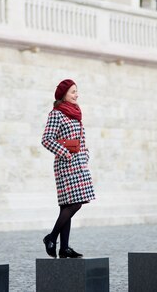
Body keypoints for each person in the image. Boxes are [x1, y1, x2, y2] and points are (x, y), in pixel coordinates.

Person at [41, 78, 95, 258]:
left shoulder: (76, 113)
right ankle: (51, 237)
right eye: (73, 91)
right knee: (75, 203)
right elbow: (47, 139)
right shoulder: (56, 114)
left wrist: (85, 153)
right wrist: (65, 153)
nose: (76, 95)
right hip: (65, 165)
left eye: (77, 91)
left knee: (67, 205)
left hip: (79, 163)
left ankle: (63, 248)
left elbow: (80, 139)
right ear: (64, 94)